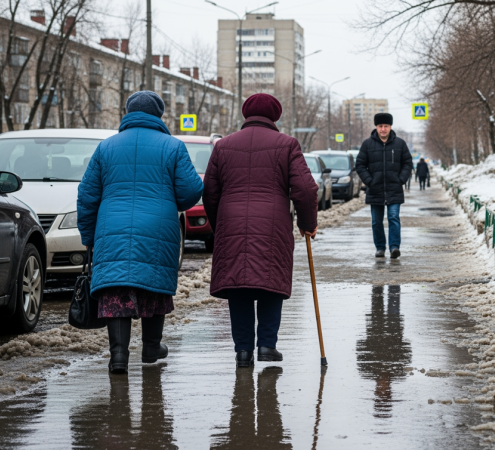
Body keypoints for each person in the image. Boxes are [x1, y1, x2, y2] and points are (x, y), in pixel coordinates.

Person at [77, 91, 203, 374]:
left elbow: (87, 196)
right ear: (158, 115)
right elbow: (193, 189)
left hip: (113, 230)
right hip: (158, 226)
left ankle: (118, 356)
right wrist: (170, 202)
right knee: (153, 284)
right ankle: (150, 348)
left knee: (116, 288)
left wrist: (88, 236)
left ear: (127, 112)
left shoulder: (106, 147)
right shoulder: (173, 146)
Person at [203, 93, 318, 368]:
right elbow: (305, 189)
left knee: (238, 285)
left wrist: (221, 225)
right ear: (275, 116)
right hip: (273, 223)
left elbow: (209, 192)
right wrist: (307, 223)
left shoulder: (223, 146)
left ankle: (243, 351)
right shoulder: (287, 144)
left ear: (246, 115)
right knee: (270, 281)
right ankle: (267, 344)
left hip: (231, 222)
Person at [355, 113, 414, 259]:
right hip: (375, 189)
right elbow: (360, 165)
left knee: (394, 217)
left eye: (386, 126)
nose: (383, 129)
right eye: (380, 126)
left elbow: (407, 163)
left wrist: (400, 179)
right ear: (376, 127)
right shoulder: (367, 144)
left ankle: (394, 247)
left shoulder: (400, 144)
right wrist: (369, 181)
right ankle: (380, 248)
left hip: (394, 189)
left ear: (390, 127)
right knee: (376, 221)